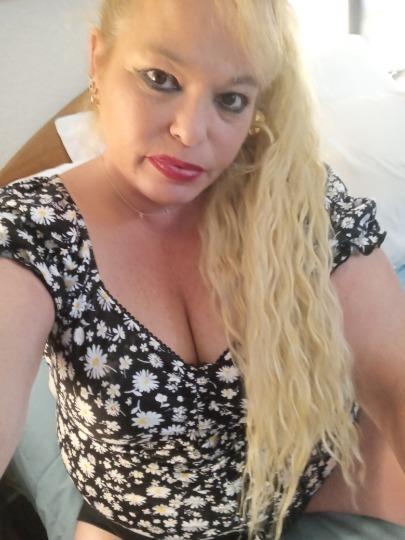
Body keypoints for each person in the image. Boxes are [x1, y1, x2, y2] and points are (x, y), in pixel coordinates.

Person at [0, 1, 404, 539]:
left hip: (317, 475)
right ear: (98, 59)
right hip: (143, 518)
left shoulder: (292, 198)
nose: (191, 132)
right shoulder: (33, 232)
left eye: (230, 99)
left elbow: (394, 378)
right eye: (160, 79)